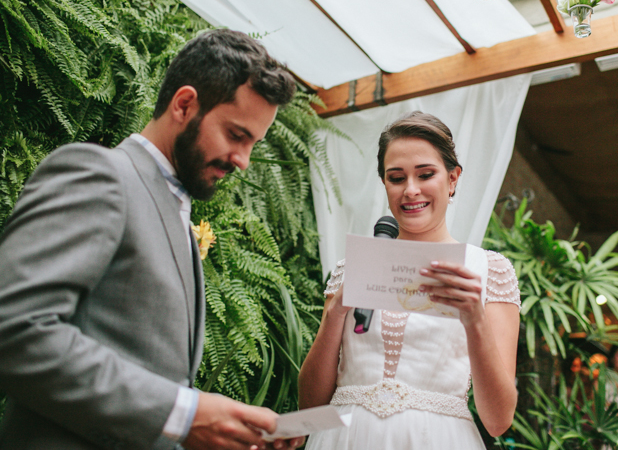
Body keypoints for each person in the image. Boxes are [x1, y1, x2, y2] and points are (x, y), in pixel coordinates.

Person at [0, 29, 304, 450]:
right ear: (184, 104)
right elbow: (15, 328)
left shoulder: (176, 208)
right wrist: (185, 414)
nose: (244, 161)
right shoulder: (101, 175)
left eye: (253, 143)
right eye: (236, 135)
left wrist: (216, 428)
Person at [297, 111, 521, 449]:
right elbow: (310, 408)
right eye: (396, 178)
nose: (410, 190)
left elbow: (498, 421)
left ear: (453, 179)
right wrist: (336, 313)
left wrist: (475, 320)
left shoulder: (488, 270)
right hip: (344, 438)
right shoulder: (352, 267)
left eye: (426, 174)